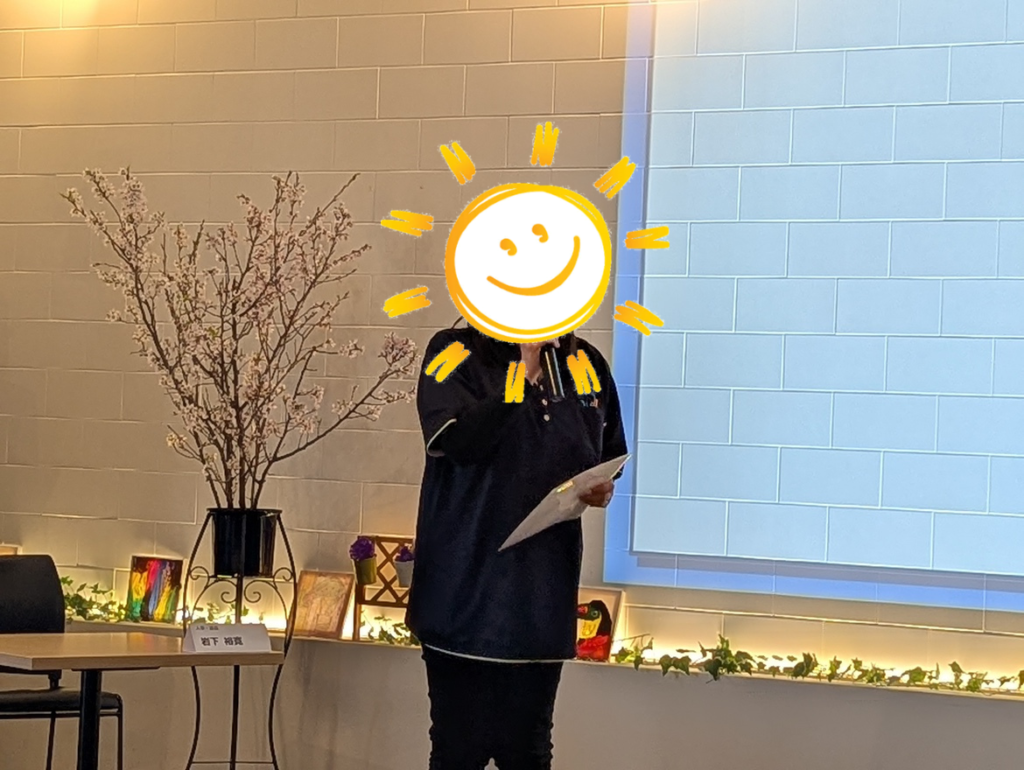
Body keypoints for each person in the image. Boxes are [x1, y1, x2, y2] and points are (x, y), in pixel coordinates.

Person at [406, 322, 628, 769]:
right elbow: (458, 442)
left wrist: (599, 487)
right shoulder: (452, 351)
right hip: (463, 599)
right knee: (457, 751)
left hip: (540, 600)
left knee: (529, 753)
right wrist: (524, 374)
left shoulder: (585, 362)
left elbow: (605, 454)